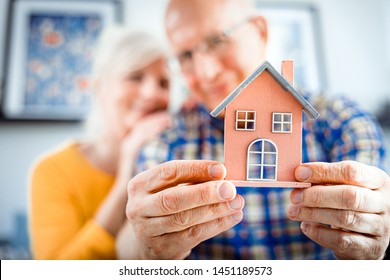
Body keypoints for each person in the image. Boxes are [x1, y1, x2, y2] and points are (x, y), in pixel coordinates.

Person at [117, 0, 390, 260]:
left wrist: (370, 241)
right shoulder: (166, 137)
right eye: (186, 55)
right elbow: (128, 240)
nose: (206, 72)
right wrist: (145, 246)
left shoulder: (340, 121)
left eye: (217, 40)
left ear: (260, 31)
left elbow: (375, 224)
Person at [28, 26, 172, 259]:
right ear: (99, 87)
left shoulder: (169, 165)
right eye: (135, 77)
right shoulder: (51, 171)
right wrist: (126, 175)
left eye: (163, 83)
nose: (151, 93)